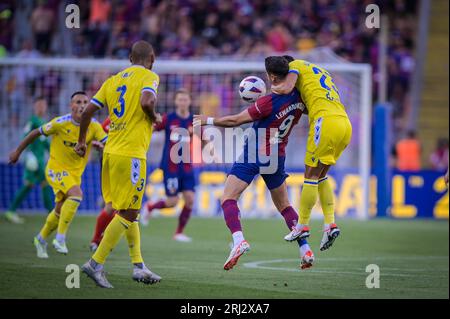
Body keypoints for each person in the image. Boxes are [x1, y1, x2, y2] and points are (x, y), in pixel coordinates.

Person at [194, 56, 314, 270]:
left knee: (228, 197)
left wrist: (207, 120)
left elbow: (235, 121)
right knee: (285, 205)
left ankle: (239, 240)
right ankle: (305, 249)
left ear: (272, 76)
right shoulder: (300, 99)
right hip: (277, 157)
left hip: (255, 154)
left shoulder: (267, 102)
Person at [75, 40, 162, 288]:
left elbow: (88, 112)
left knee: (123, 208)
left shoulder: (112, 81)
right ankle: (96, 263)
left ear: (129, 59)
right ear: (152, 57)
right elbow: (147, 102)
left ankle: (138, 266)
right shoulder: (149, 76)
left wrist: (82, 141)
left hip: (110, 154)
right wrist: (153, 116)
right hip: (131, 154)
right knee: (130, 211)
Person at [8, 91, 107, 258]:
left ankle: (41, 238)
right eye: (78, 102)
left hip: (75, 173)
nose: (82, 105)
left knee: (59, 210)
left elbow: (108, 142)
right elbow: (35, 133)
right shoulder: (60, 123)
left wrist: (102, 147)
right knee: (76, 195)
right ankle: (60, 238)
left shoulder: (94, 125)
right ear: (71, 106)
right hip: (55, 169)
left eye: (85, 102)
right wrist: (18, 152)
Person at [271, 56, 352, 251]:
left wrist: (271, 89)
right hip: (343, 123)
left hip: (325, 122)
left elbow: (286, 88)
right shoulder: (319, 71)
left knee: (310, 175)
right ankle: (330, 224)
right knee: (321, 175)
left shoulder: (295, 66)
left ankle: (302, 225)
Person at [142, 88, 197, 243]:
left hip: (186, 166)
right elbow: (152, 129)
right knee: (172, 202)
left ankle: (179, 232)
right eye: (180, 99)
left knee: (190, 199)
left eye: (185, 99)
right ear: (175, 101)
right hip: (170, 166)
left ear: (190, 101)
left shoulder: (194, 121)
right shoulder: (168, 119)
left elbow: (204, 138)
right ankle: (150, 207)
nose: (182, 102)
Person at [4, 96, 53, 224]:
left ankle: (51, 214)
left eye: (43, 105)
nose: (41, 107)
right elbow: (25, 137)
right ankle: (11, 210)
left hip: (41, 161)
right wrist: (28, 154)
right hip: (33, 160)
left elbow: (46, 144)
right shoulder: (32, 121)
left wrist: (54, 154)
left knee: (43, 183)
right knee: (33, 184)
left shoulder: (43, 122)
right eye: (39, 105)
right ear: (35, 107)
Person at [89, 116, 115, 252]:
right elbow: (96, 138)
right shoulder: (109, 121)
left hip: (130, 166)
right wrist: (99, 145)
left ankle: (102, 239)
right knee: (113, 207)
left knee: (125, 209)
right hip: (110, 167)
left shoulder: (136, 117)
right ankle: (97, 240)